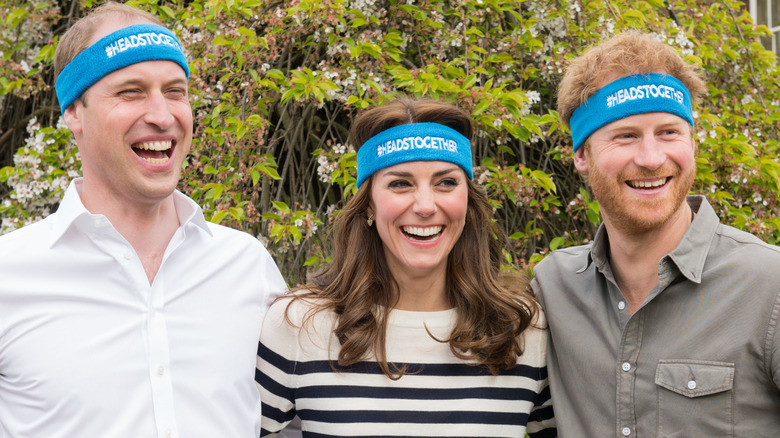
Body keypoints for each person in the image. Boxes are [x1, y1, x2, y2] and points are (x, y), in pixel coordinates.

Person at [0, 3, 285, 437]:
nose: (162, 115)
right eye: (130, 92)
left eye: (175, 91)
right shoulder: (10, 276)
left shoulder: (248, 267)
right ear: (73, 111)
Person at [256, 97, 556, 437]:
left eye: (446, 182)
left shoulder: (521, 329)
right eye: (400, 183)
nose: (426, 206)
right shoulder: (299, 325)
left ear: (468, 200)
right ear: (368, 204)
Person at [532, 30, 780, 437]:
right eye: (625, 136)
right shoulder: (553, 287)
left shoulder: (770, 285)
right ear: (581, 154)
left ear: (692, 144)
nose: (651, 159)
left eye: (668, 132)